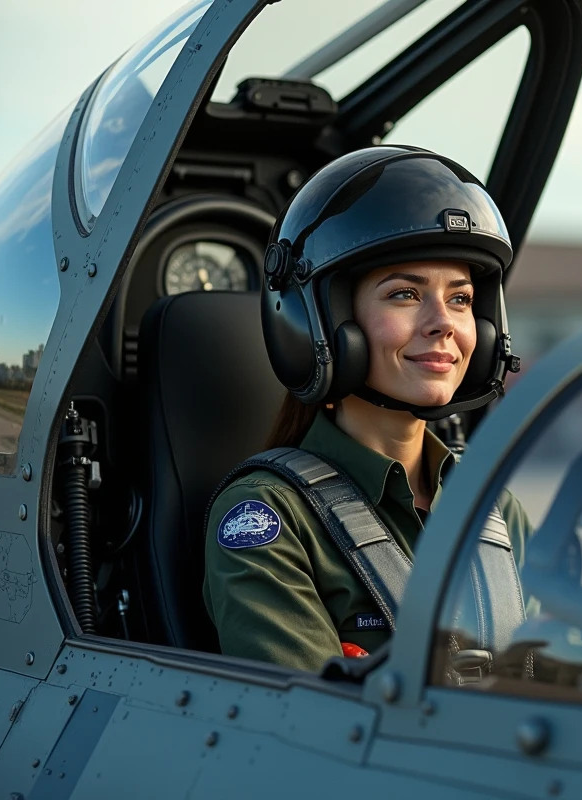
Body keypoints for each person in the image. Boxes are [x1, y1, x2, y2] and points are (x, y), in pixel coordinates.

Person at [203, 146, 532, 672]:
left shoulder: (494, 512)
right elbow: (316, 730)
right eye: (404, 294)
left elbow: (581, 692)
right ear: (329, 323)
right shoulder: (269, 519)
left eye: (461, 299)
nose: (442, 322)